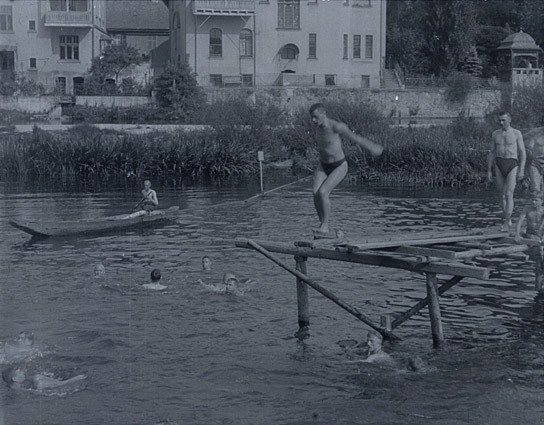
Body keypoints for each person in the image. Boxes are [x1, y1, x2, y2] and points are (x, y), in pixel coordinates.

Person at [309, 103, 383, 237]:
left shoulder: (336, 126)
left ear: (323, 114)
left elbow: (355, 138)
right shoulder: (317, 128)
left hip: (339, 165)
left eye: (315, 117)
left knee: (323, 192)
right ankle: (323, 226)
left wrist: (372, 147)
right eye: (311, 118)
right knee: (315, 193)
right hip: (323, 165)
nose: (313, 121)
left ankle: (325, 226)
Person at [488, 112, 526, 231]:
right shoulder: (495, 134)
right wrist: (488, 170)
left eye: (503, 120)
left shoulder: (516, 133)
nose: (501, 123)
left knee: (509, 194)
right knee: (502, 196)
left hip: (512, 164)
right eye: (500, 120)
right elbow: (492, 152)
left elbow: (522, 152)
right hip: (499, 163)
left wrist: (522, 170)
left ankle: (505, 223)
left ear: (509, 120)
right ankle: (508, 220)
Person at [514, 191, 544, 296]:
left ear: (541, 201)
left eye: (536, 200)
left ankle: (539, 285)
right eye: (533, 200)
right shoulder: (527, 209)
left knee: (540, 257)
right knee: (539, 253)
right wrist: (517, 234)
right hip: (530, 235)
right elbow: (519, 221)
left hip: (541, 235)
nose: (534, 202)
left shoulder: (543, 210)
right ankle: (539, 286)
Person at [3, 366, 86, 391]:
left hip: (33, 386)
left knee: (37, 377)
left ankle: (62, 381)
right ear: (15, 378)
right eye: (19, 372)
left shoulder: (13, 386)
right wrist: (75, 379)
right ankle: (74, 379)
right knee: (41, 383)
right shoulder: (16, 391)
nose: (23, 372)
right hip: (39, 389)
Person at [524, 127, 544, 194]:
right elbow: (528, 147)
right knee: (536, 189)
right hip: (535, 163)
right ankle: (535, 203)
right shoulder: (536, 133)